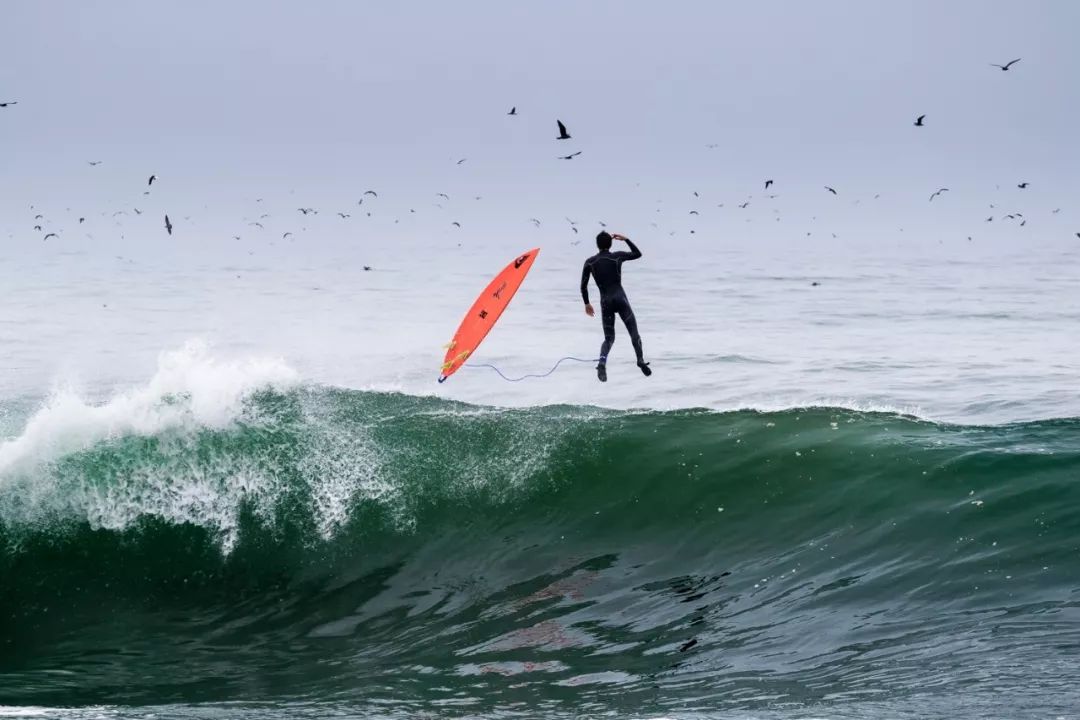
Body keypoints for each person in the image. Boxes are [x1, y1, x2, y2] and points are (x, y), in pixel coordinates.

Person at [580, 231, 651, 382]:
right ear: (610, 244)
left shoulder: (590, 262)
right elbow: (637, 254)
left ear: (597, 245)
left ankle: (602, 363)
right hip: (620, 299)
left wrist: (586, 303)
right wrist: (626, 239)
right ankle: (640, 360)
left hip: (606, 302)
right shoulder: (616, 256)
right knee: (634, 333)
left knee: (609, 339)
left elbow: (583, 286)